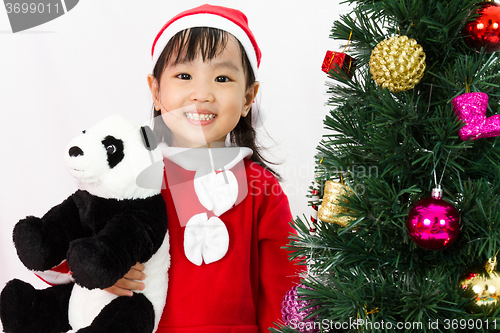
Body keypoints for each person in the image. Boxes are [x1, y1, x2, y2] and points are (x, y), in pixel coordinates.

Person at [36, 4, 301, 333]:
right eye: (184, 76)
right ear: (157, 90)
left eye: (222, 78)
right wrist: (97, 275)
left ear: (248, 97)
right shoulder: (128, 175)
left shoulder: (262, 189)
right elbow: (59, 247)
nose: (201, 94)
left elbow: (286, 292)